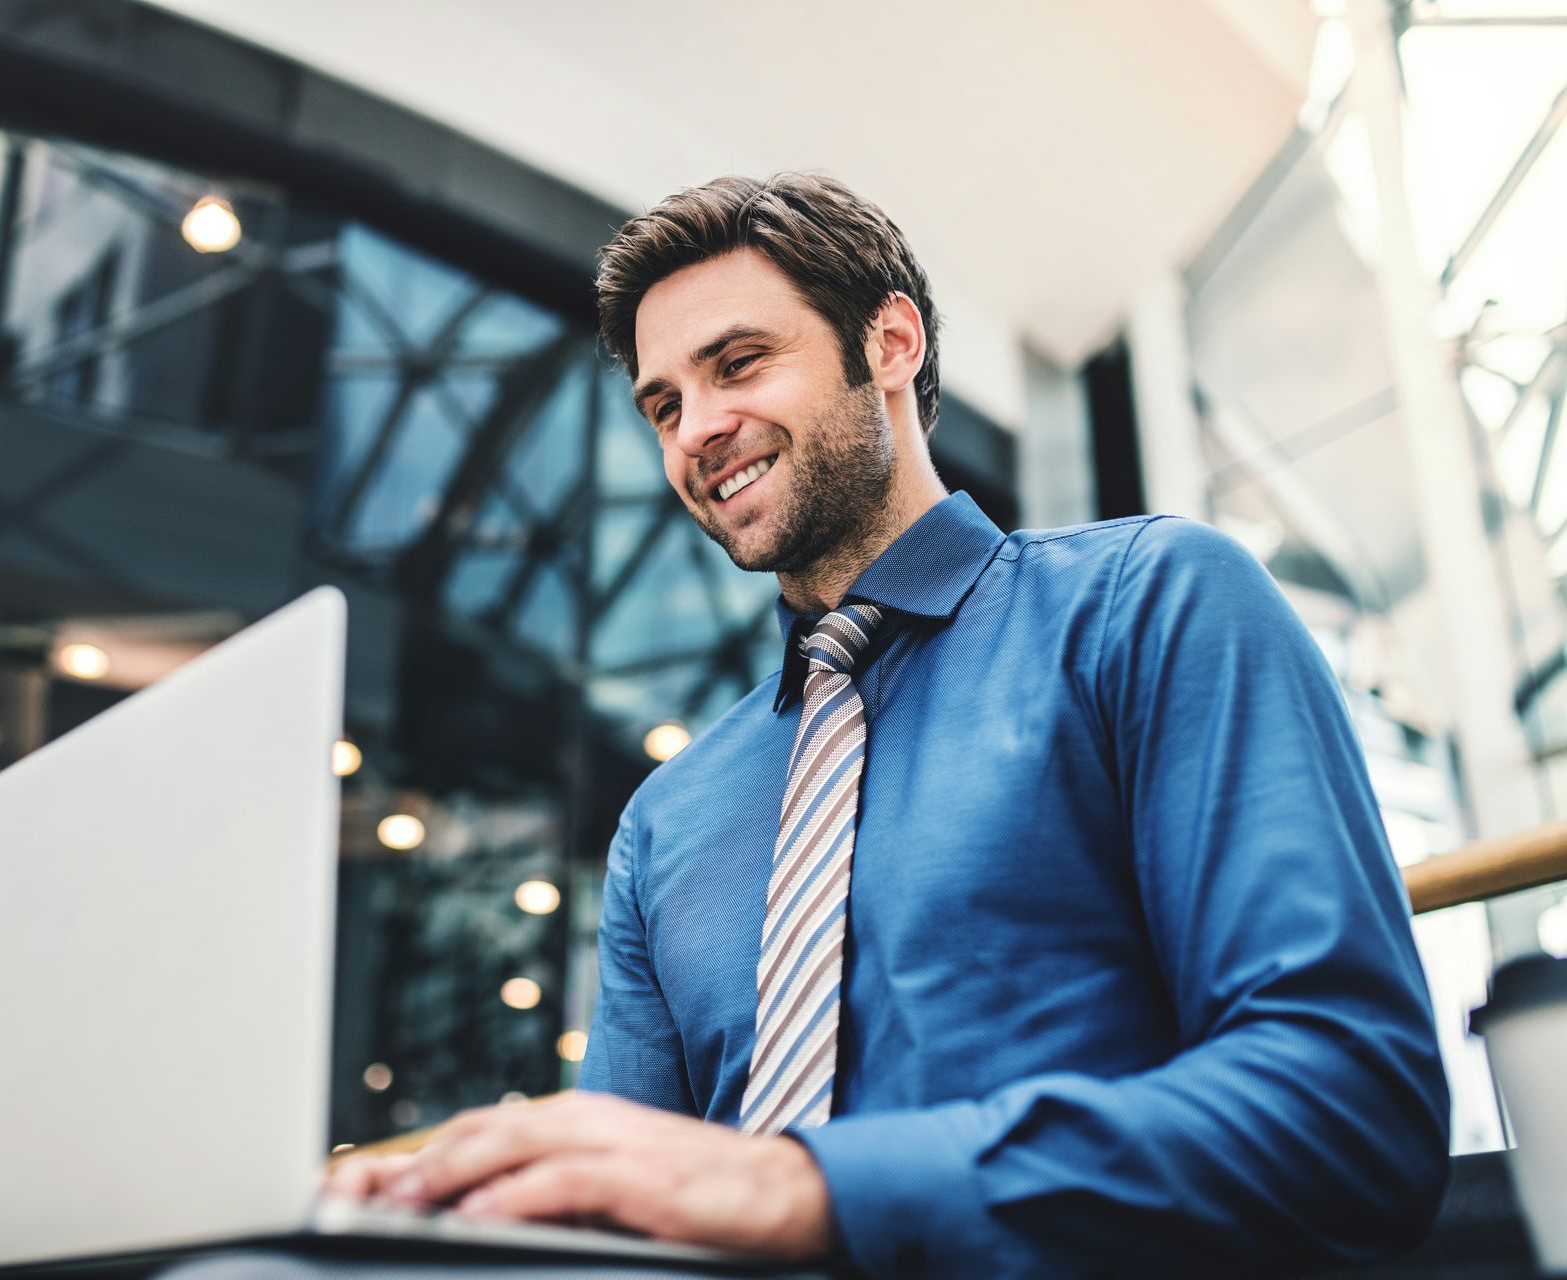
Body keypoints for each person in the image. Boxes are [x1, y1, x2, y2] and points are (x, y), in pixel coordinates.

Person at [328, 173, 1450, 1277]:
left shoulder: (1149, 606)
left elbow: (1348, 1110)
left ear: (891, 344)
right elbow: (616, 1213)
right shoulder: (666, 820)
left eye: (738, 362)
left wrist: (805, 1187)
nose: (699, 430)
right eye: (664, 403)